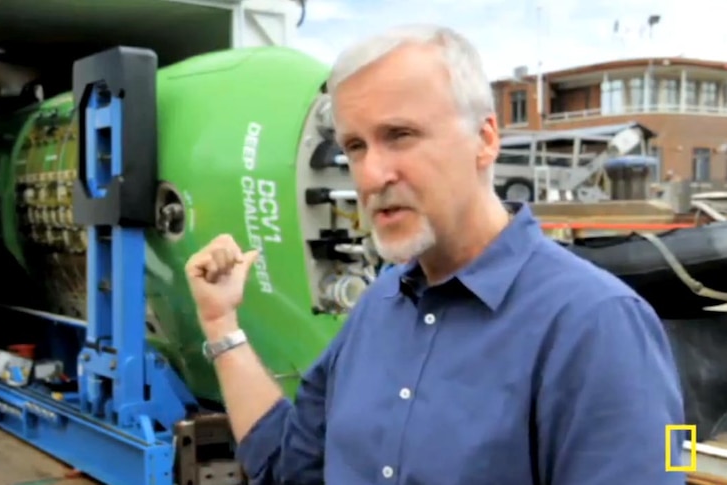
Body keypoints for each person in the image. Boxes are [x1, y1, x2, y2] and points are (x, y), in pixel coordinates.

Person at [184, 24, 686, 484]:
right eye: (355, 146)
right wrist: (221, 322)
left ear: (485, 140)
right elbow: (287, 468)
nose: (371, 175)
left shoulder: (596, 326)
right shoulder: (378, 309)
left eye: (399, 135)